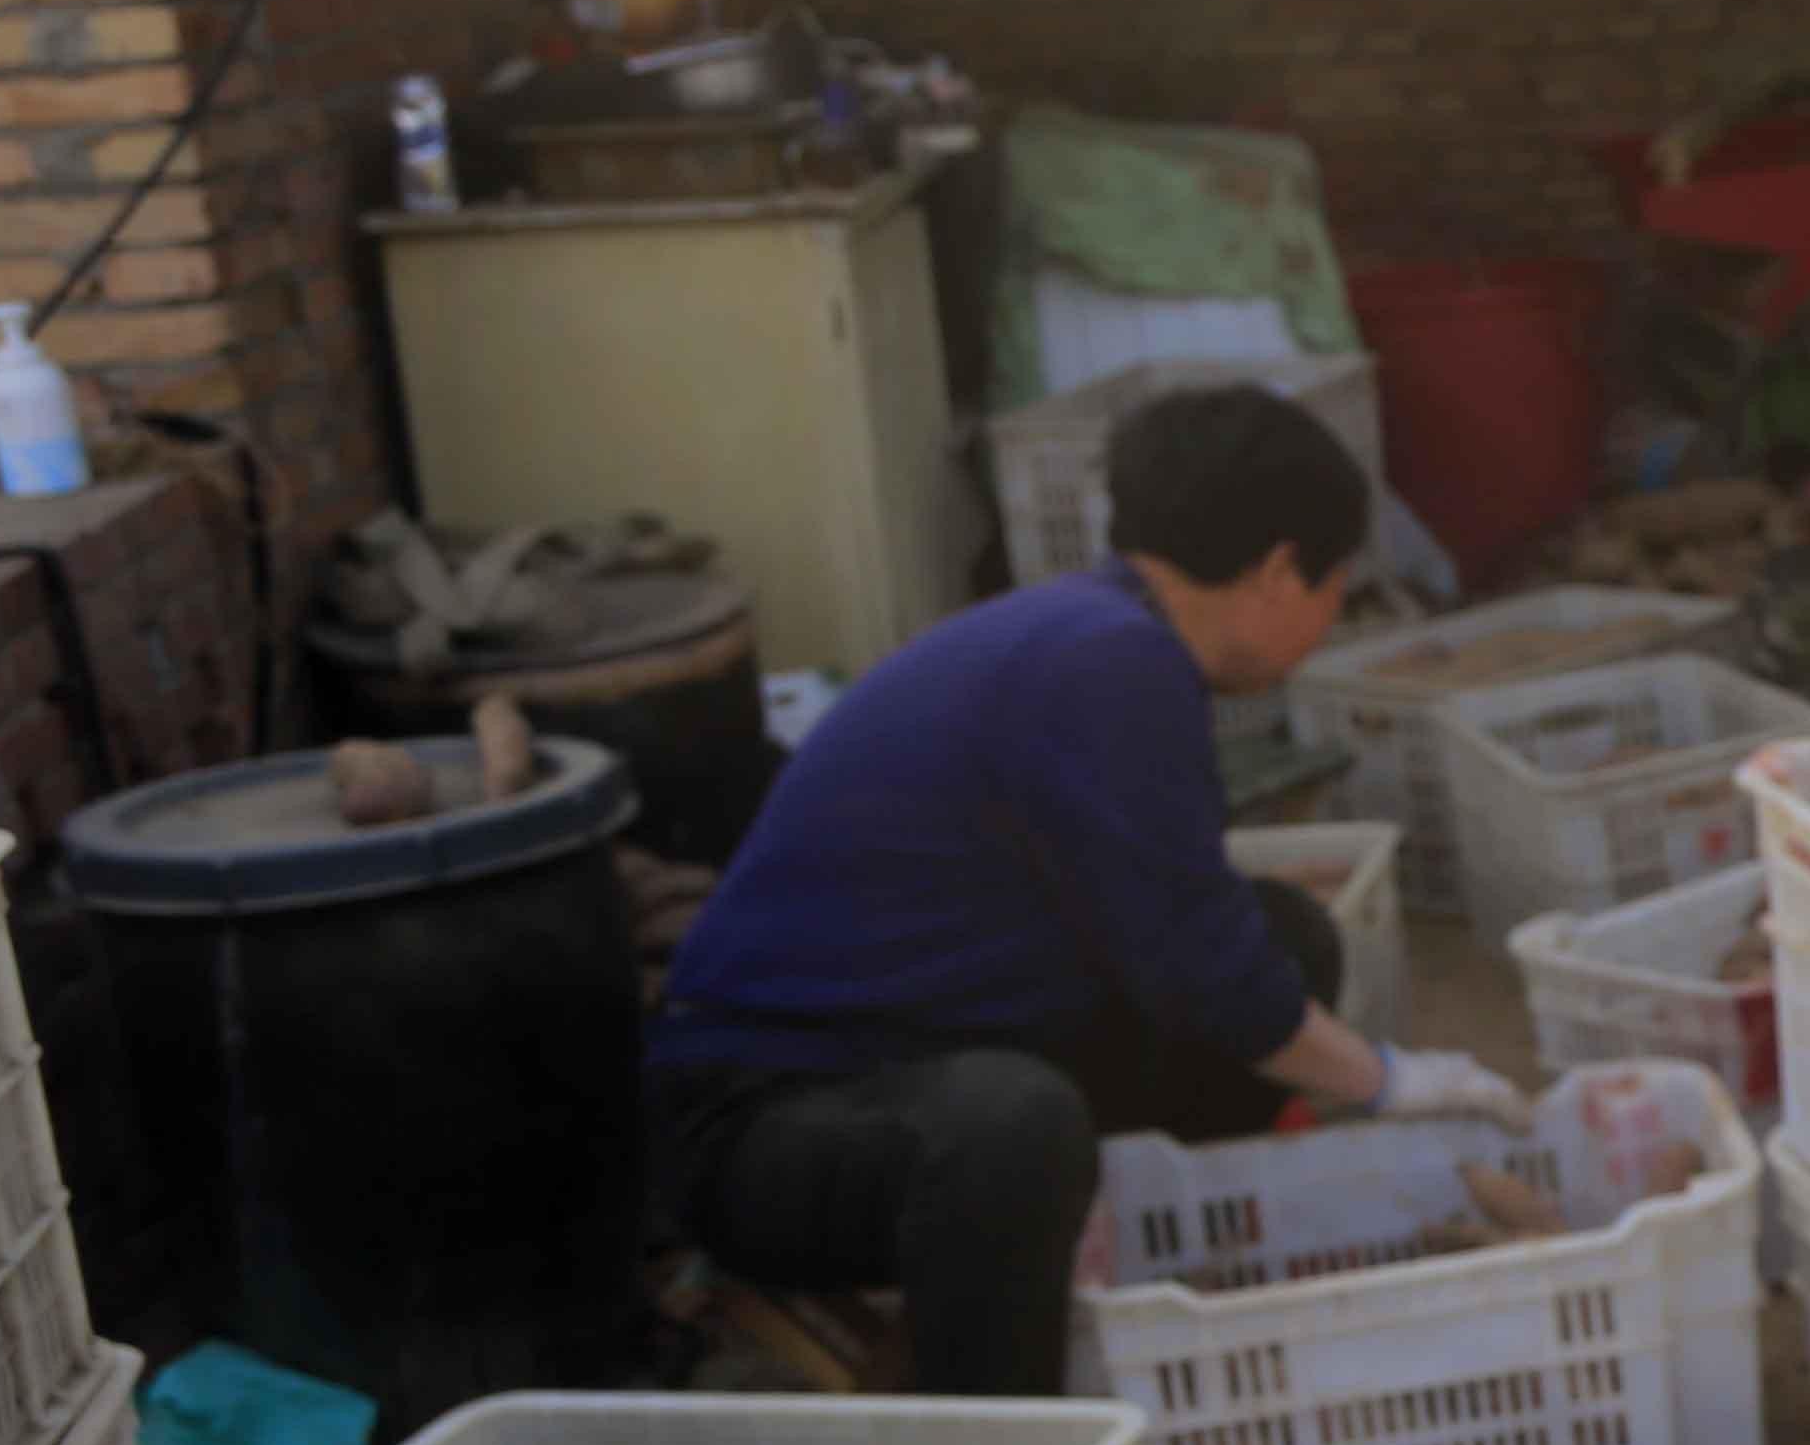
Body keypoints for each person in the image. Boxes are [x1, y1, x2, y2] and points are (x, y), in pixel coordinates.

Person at [650, 381, 1524, 1393]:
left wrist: (1360, 1071)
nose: (1330, 621)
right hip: (762, 1128)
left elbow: (1194, 939)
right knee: (1012, 1125)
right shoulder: (1109, 664)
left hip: (905, 1056)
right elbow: (1209, 979)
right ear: (1282, 571)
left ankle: (1150, 1266)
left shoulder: (1098, 637)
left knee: (1282, 940)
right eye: (1336, 590)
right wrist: (1394, 1081)